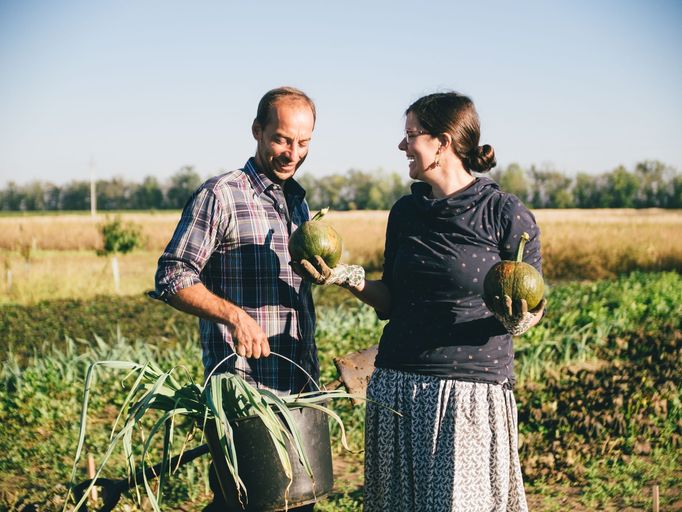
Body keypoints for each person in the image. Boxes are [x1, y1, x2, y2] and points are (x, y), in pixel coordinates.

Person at [294, 91, 544, 511]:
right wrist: (345, 277)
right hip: (396, 390)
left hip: (466, 395)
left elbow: (532, 304)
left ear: (442, 143)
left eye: (411, 135)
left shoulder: (504, 213)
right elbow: (391, 300)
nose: (402, 145)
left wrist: (520, 321)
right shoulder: (405, 212)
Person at [151, 86, 319, 510]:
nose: (291, 152)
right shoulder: (221, 195)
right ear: (257, 132)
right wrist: (234, 316)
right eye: (281, 139)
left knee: (301, 502)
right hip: (244, 394)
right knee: (248, 503)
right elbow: (172, 276)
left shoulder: (297, 204)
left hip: (299, 388)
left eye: (303, 143)